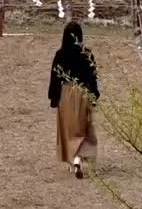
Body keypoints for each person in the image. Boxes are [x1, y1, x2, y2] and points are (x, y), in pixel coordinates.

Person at [48, 20, 100, 179]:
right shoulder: (87, 54)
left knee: (68, 130)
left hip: (66, 93)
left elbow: (55, 77)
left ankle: (74, 161)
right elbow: (92, 76)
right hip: (83, 92)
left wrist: (54, 97)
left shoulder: (60, 54)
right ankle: (79, 158)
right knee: (83, 128)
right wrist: (94, 95)